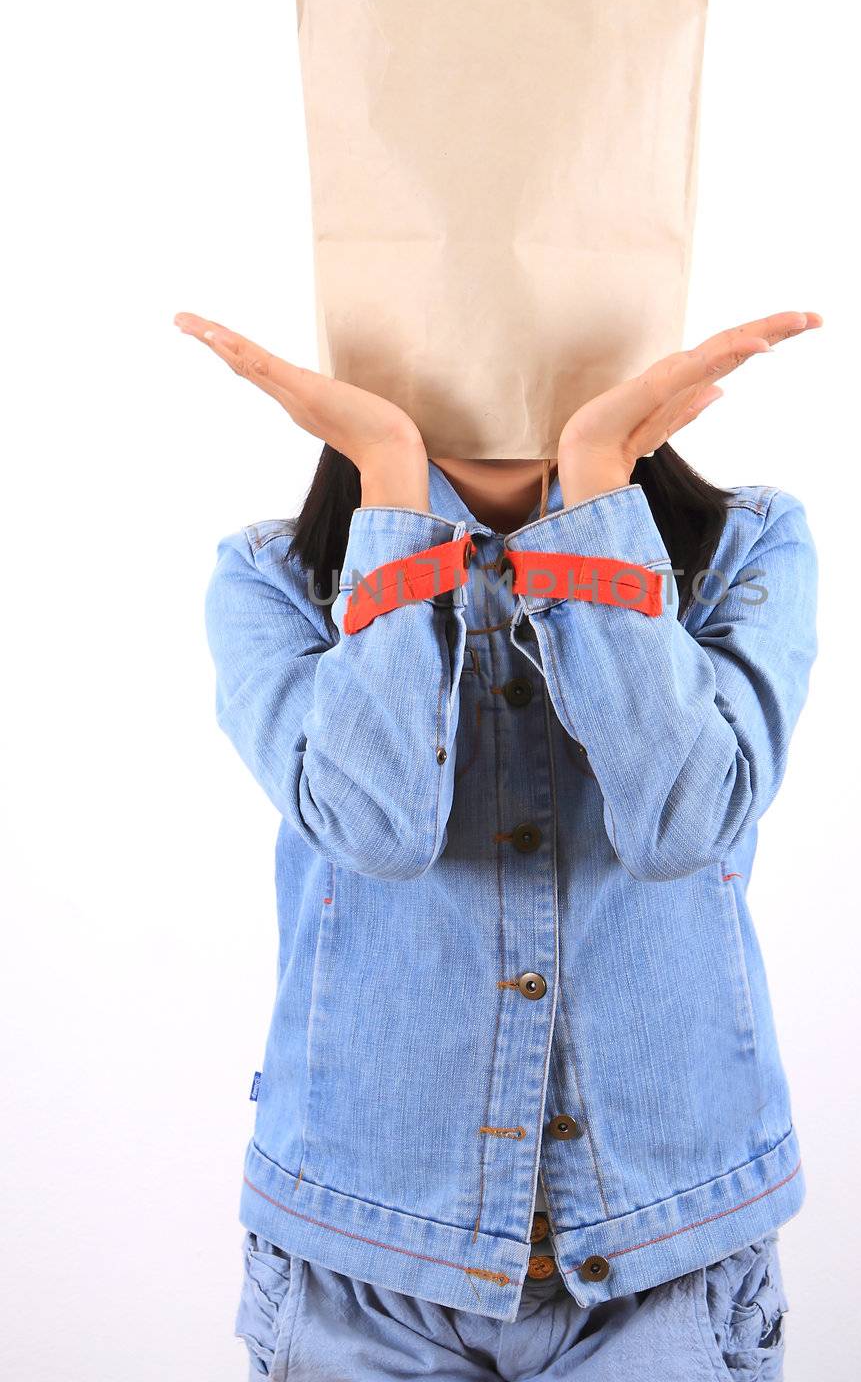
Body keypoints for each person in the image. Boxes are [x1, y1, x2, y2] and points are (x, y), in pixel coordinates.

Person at [181, 306, 822, 1380]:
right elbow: (374, 827)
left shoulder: (739, 548)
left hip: (666, 1257)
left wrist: (592, 499)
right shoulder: (274, 577)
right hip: (361, 1267)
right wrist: (386, 477)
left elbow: (684, 823)